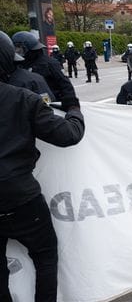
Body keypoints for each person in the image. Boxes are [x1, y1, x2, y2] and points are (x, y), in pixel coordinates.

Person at [0, 28, 84, 301]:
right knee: (46, 256)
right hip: (21, 198)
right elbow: (68, 135)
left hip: (16, 196)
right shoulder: (22, 98)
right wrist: (73, 109)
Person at [12, 31, 75, 101]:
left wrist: (72, 106)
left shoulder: (50, 63)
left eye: (17, 48)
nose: (16, 51)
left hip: (49, 104)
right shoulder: (17, 64)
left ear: (25, 48)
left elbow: (65, 84)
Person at [1, 31, 54, 101]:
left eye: (18, 48)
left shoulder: (32, 79)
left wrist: (71, 106)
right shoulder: (35, 78)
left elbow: (46, 104)